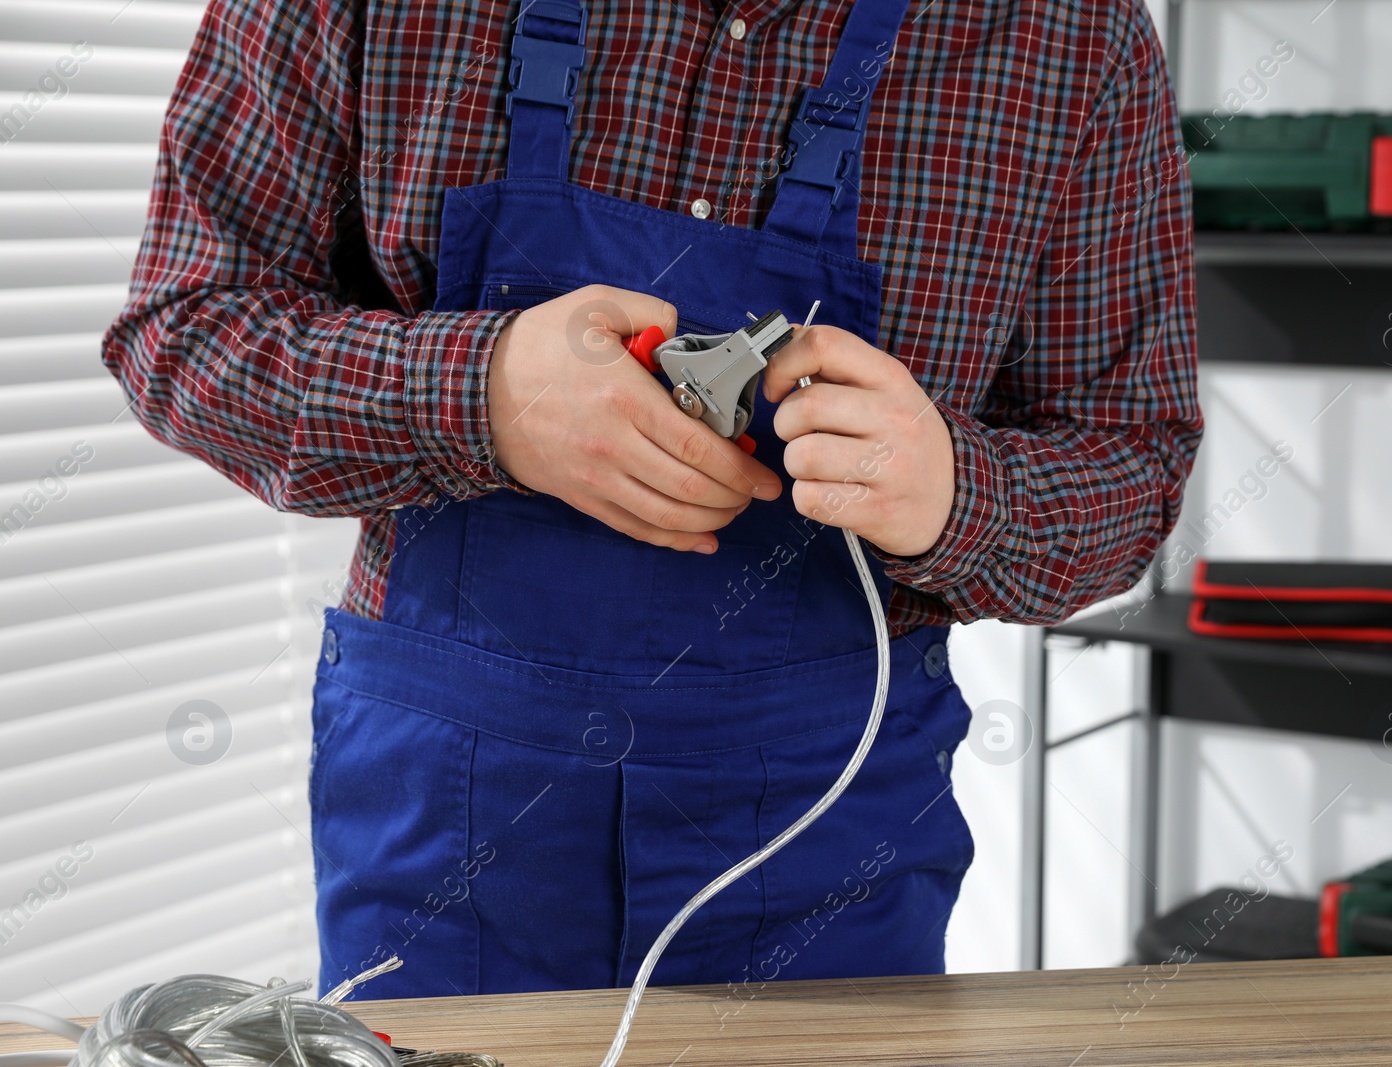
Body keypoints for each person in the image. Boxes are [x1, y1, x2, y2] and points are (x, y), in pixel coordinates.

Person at [104, 0, 1201, 999]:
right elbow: (183, 328)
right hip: (445, 814)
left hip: (826, 834)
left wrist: (960, 494)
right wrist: (483, 395)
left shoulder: (1071, 41)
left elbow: (1132, 464)